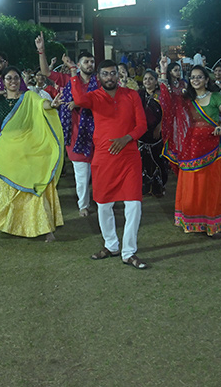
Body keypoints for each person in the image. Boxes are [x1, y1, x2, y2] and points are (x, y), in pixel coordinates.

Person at [0, 53, 64, 242]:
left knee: (34, 188)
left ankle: (46, 229)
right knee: (8, 191)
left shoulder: (28, 97)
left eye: (15, 78)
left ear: (20, 80)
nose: (13, 81)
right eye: (9, 78)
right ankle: (10, 225)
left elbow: (43, 105)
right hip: (7, 153)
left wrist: (52, 104)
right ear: (3, 81)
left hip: (29, 151)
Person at [72, 59, 149, 269]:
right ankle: (111, 245)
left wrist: (126, 138)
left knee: (134, 204)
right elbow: (78, 99)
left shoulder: (131, 95)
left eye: (113, 73)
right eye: (105, 74)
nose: (110, 77)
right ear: (99, 77)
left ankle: (129, 251)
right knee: (104, 204)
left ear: (118, 75)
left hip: (129, 156)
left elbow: (142, 125)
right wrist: (72, 72)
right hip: (104, 157)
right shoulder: (95, 96)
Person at [160, 61, 221, 238]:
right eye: (193, 77)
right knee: (191, 184)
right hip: (191, 146)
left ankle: (210, 223)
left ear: (206, 79)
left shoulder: (215, 97)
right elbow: (167, 101)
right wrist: (163, 72)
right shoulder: (186, 98)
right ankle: (190, 221)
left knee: (210, 185)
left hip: (212, 146)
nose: (195, 80)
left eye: (199, 77)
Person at [38, 34, 96, 217]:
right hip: (75, 133)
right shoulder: (68, 79)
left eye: (92, 62)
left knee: (99, 173)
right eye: (86, 62)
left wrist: (78, 103)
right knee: (81, 174)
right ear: (78, 65)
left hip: (97, 135)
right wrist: (41, 50)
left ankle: (102, 201)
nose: (89, 65)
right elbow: (46, 72)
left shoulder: (99, 83)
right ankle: (83, 205)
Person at [138, 69, 168, 197]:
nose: (147, 81)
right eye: (145, 79)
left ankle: (159, 187)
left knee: (159, 160)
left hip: (157, 133)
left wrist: (159, 126)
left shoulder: (161, 96)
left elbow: (168, 112)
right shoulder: (139, 94)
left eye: (150, 79)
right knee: (143, 161)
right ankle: (145, 187)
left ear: (156, 81)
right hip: (142, 133)